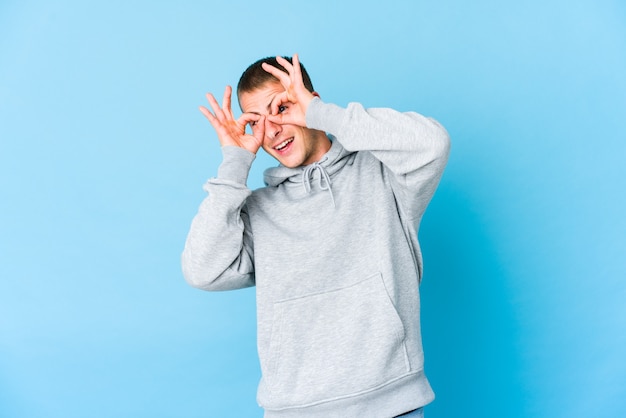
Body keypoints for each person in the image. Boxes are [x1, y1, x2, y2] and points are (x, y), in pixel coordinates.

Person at [182, 54, 450, 418]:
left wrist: (322, 112)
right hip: (294, 410)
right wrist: (233, 163)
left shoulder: (384, 174)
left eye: (281, 108)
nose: (272, 130)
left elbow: (432, 143)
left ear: (309, 102)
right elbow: (203, 270)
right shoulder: (257, 212)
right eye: (256, 122)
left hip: (392, 406)